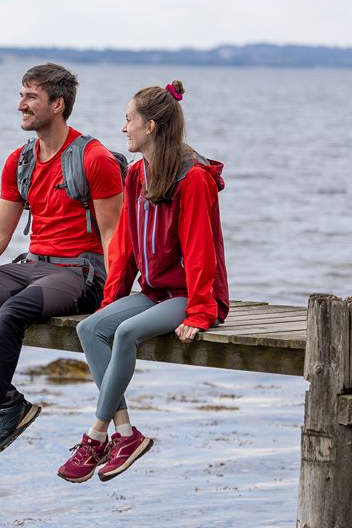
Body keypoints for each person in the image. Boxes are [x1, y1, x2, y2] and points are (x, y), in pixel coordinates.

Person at [0, 63, 124, 470]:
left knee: (13, 311)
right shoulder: (20, 161)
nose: (21, 105)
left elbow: (113, 236)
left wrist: (115, 298)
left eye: (31, 97)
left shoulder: (95, 158)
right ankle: (10, 404)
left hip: (82, 274)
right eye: (21, 95)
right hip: (33, 266)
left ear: (58, 104)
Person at [57, 80, 229, 483]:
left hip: (190, 295)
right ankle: (126, 434)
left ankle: (95, 435)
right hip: (154, 292)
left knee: (126, 333)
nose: (123, 128)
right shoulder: (137, 174)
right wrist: (113, 299)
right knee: (91, 328)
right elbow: (127, 245)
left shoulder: (193, 178)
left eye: (128, 119)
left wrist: (200, 313)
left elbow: (201, 251)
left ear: (150, 126)